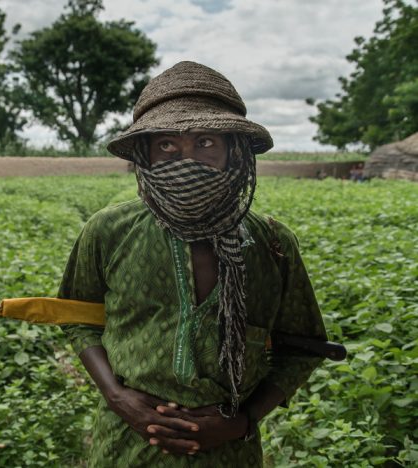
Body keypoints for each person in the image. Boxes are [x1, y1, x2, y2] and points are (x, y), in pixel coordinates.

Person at [57, 61, 328, 467]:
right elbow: (79, 319)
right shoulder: (109, 231)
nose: (187, 160)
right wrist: (119, 397)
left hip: (229, 453)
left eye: (205, 143)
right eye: (167, 145)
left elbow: (303, 348)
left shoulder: (272, 244)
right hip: (126, 447)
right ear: (145, 154)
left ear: (233, 152)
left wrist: (243, 421)